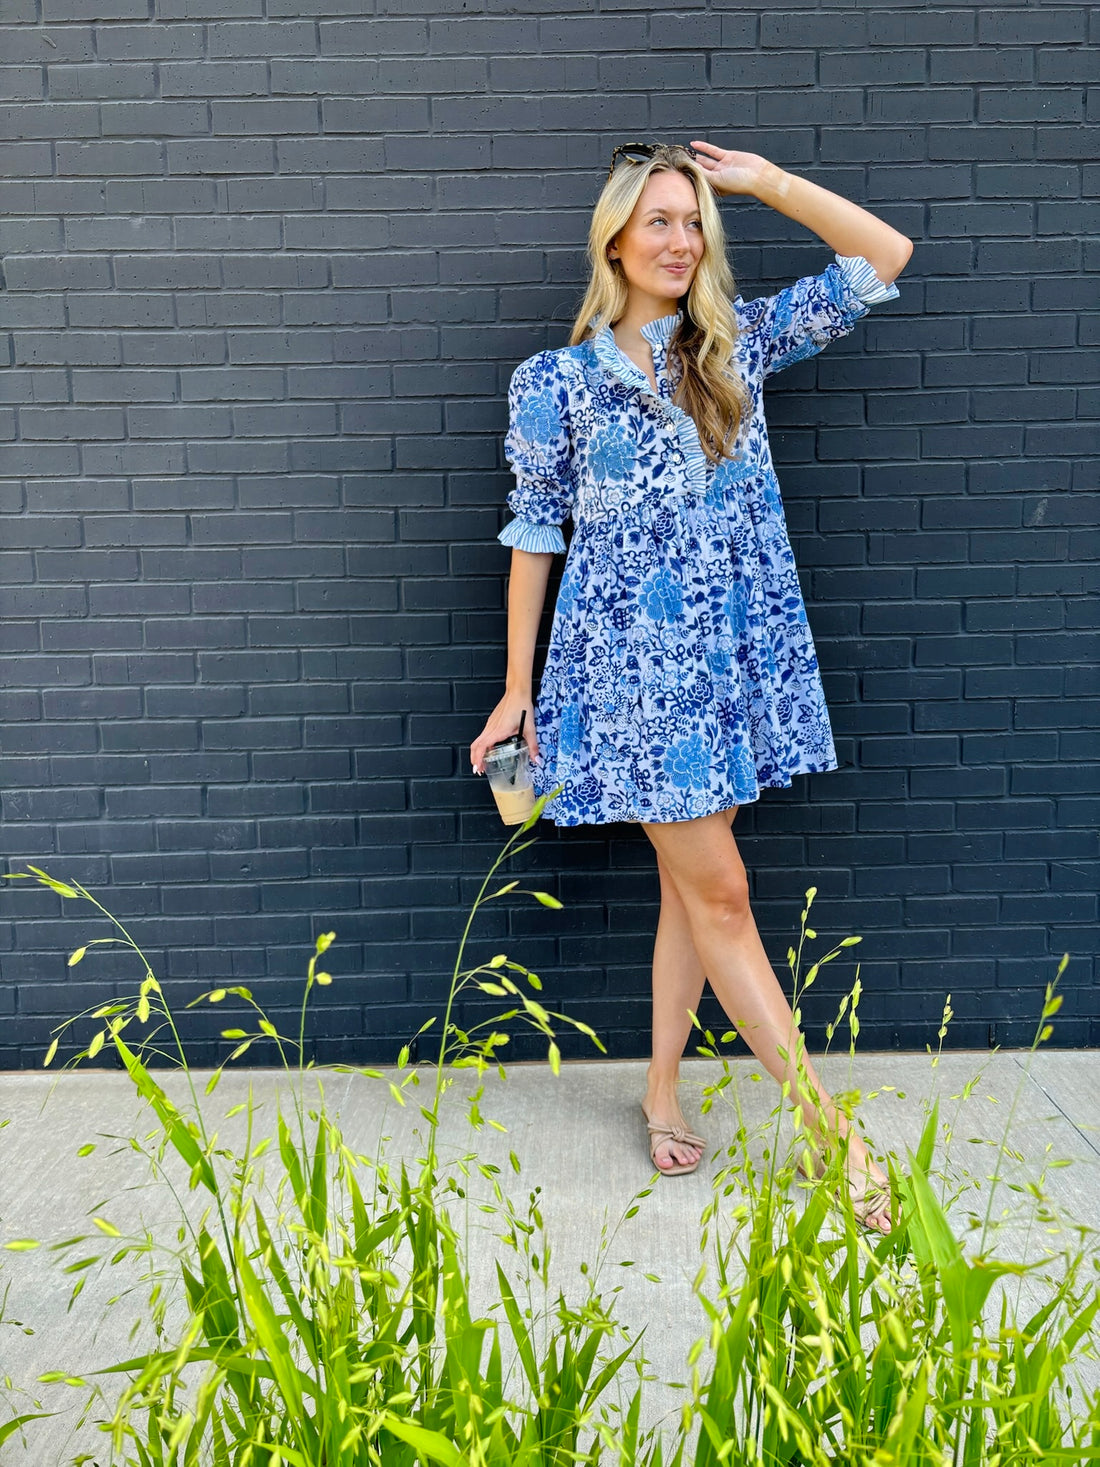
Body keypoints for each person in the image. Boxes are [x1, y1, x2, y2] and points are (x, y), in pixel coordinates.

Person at [469, 140, 913, 1234]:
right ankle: (833, 1138)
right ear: (613, 237)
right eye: (658, 220)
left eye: (692, 221)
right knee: (718, 893)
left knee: (689, 890)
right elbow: (535, 535)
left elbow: (882, 254)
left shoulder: (736, 345)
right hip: (620, 672)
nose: (678, 241)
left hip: (724, 661)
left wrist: (764, 185)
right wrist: (515, 688)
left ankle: (661, 1090)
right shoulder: (555, 382)